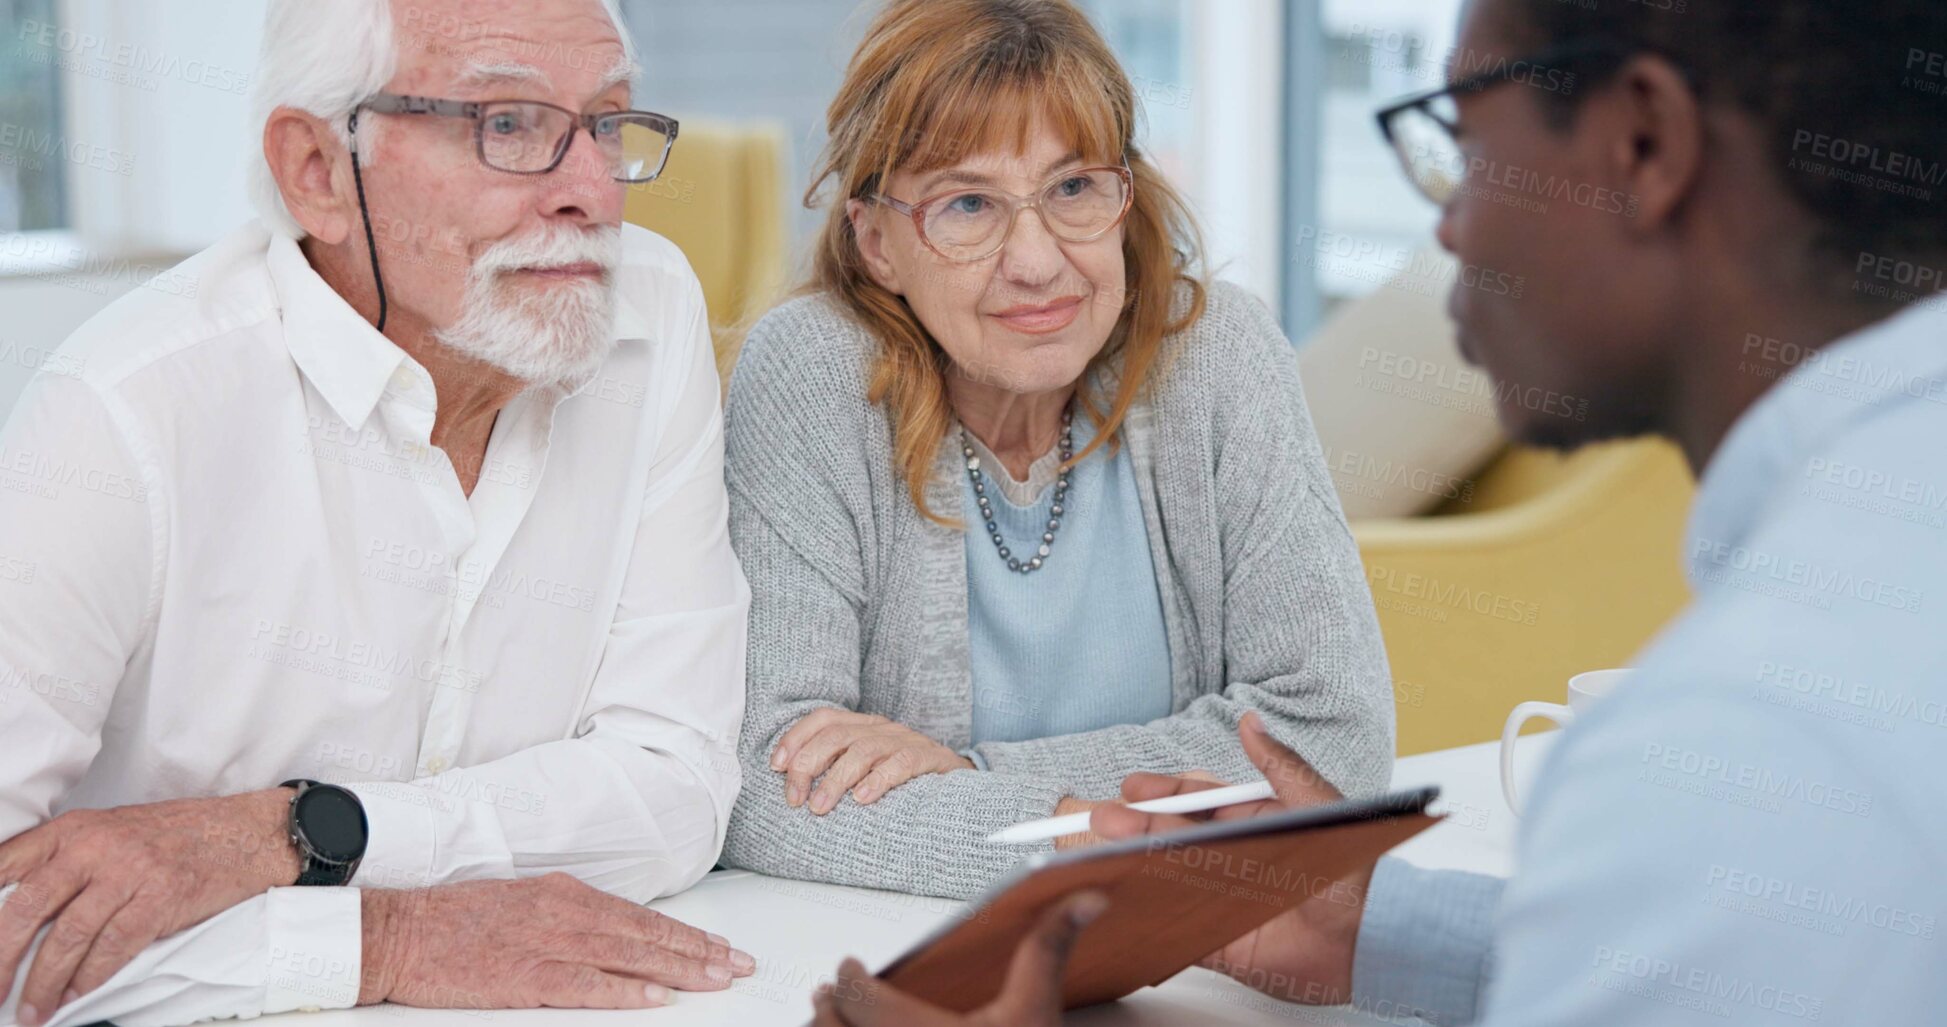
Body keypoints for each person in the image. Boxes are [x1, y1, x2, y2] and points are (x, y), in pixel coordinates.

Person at [812, 0, 1947, 1022]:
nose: (1447, 231)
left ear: (1641, 146)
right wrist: (1386, 926)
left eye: (1460, 143)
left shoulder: (1733, 751)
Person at [0, 0, 758, 1023]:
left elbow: (676, 779)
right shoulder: (120, 415)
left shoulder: (648, 313)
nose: (592, 194)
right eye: (509, 125)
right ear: (317, 170)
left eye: (608, 123)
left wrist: (302, 836)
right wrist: (382, 937)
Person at [720, 0, 1395, 900]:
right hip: (901, 959)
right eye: (968, 205)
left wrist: (964, 775)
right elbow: (759, 782)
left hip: (1198, 951)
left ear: (1124, 197)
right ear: (876, 241)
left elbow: (1331, 747)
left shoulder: (1216, 350)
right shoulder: (812, 373)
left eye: (1073, 189)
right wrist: (1156, 832)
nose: (1037, 262)